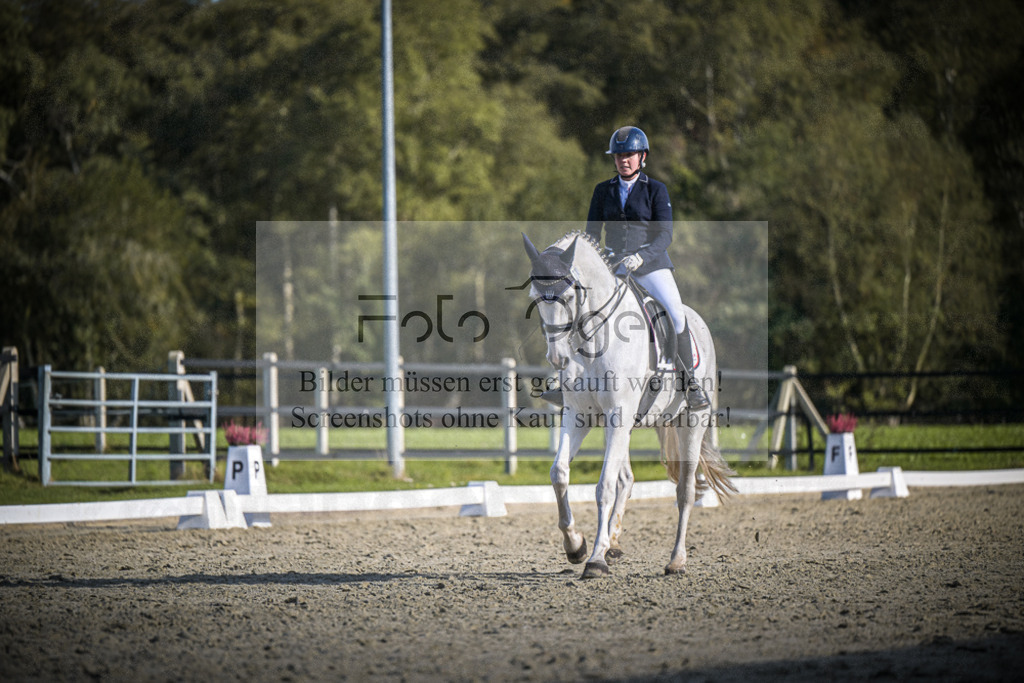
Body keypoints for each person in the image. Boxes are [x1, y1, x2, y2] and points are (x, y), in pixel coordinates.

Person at [584, 125, 709, 410]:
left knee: (676, 314)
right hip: (614, 266)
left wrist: (640, 258)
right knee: (581, 310)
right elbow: (591, 234)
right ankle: (566, 377)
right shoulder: (602, 191)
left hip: (651, 265)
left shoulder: (656, 189)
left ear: (642, 156)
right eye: (617, 156)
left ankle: (690, 383)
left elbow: (665, 235)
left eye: (629, 154)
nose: (622, 160)